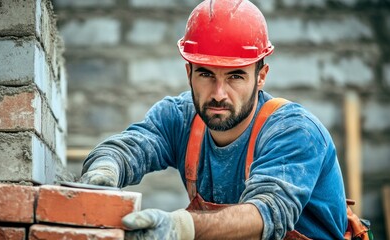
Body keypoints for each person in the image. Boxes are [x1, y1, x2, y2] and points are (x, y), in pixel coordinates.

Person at [79, 0, 349, 239]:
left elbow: (268, 212)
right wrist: (104, 171)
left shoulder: (294, 131)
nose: (219, 94)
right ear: (189, 73)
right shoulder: (180, 117)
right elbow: (131, 146)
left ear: (261, 76)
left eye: (235, 76)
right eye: (206, 74)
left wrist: (181, 226)